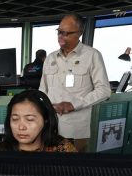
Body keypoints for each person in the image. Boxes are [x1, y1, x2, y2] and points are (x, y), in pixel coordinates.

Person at [39, 14, 111, 152]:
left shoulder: (92, 55)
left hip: (75, 129)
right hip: (50, 127)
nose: (61, 36)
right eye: (60, 32)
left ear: (79, 33)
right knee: (50, 167)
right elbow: (43, 89)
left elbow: (104, 90)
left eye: (67, 33)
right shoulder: (50, 58)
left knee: (72, 168)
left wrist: (74, 105)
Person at [0, 89, 76, 152]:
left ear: (46, 120)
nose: (21, 127)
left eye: (30, 119)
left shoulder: (63, 150)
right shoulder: (1, 152)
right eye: (15, 119)